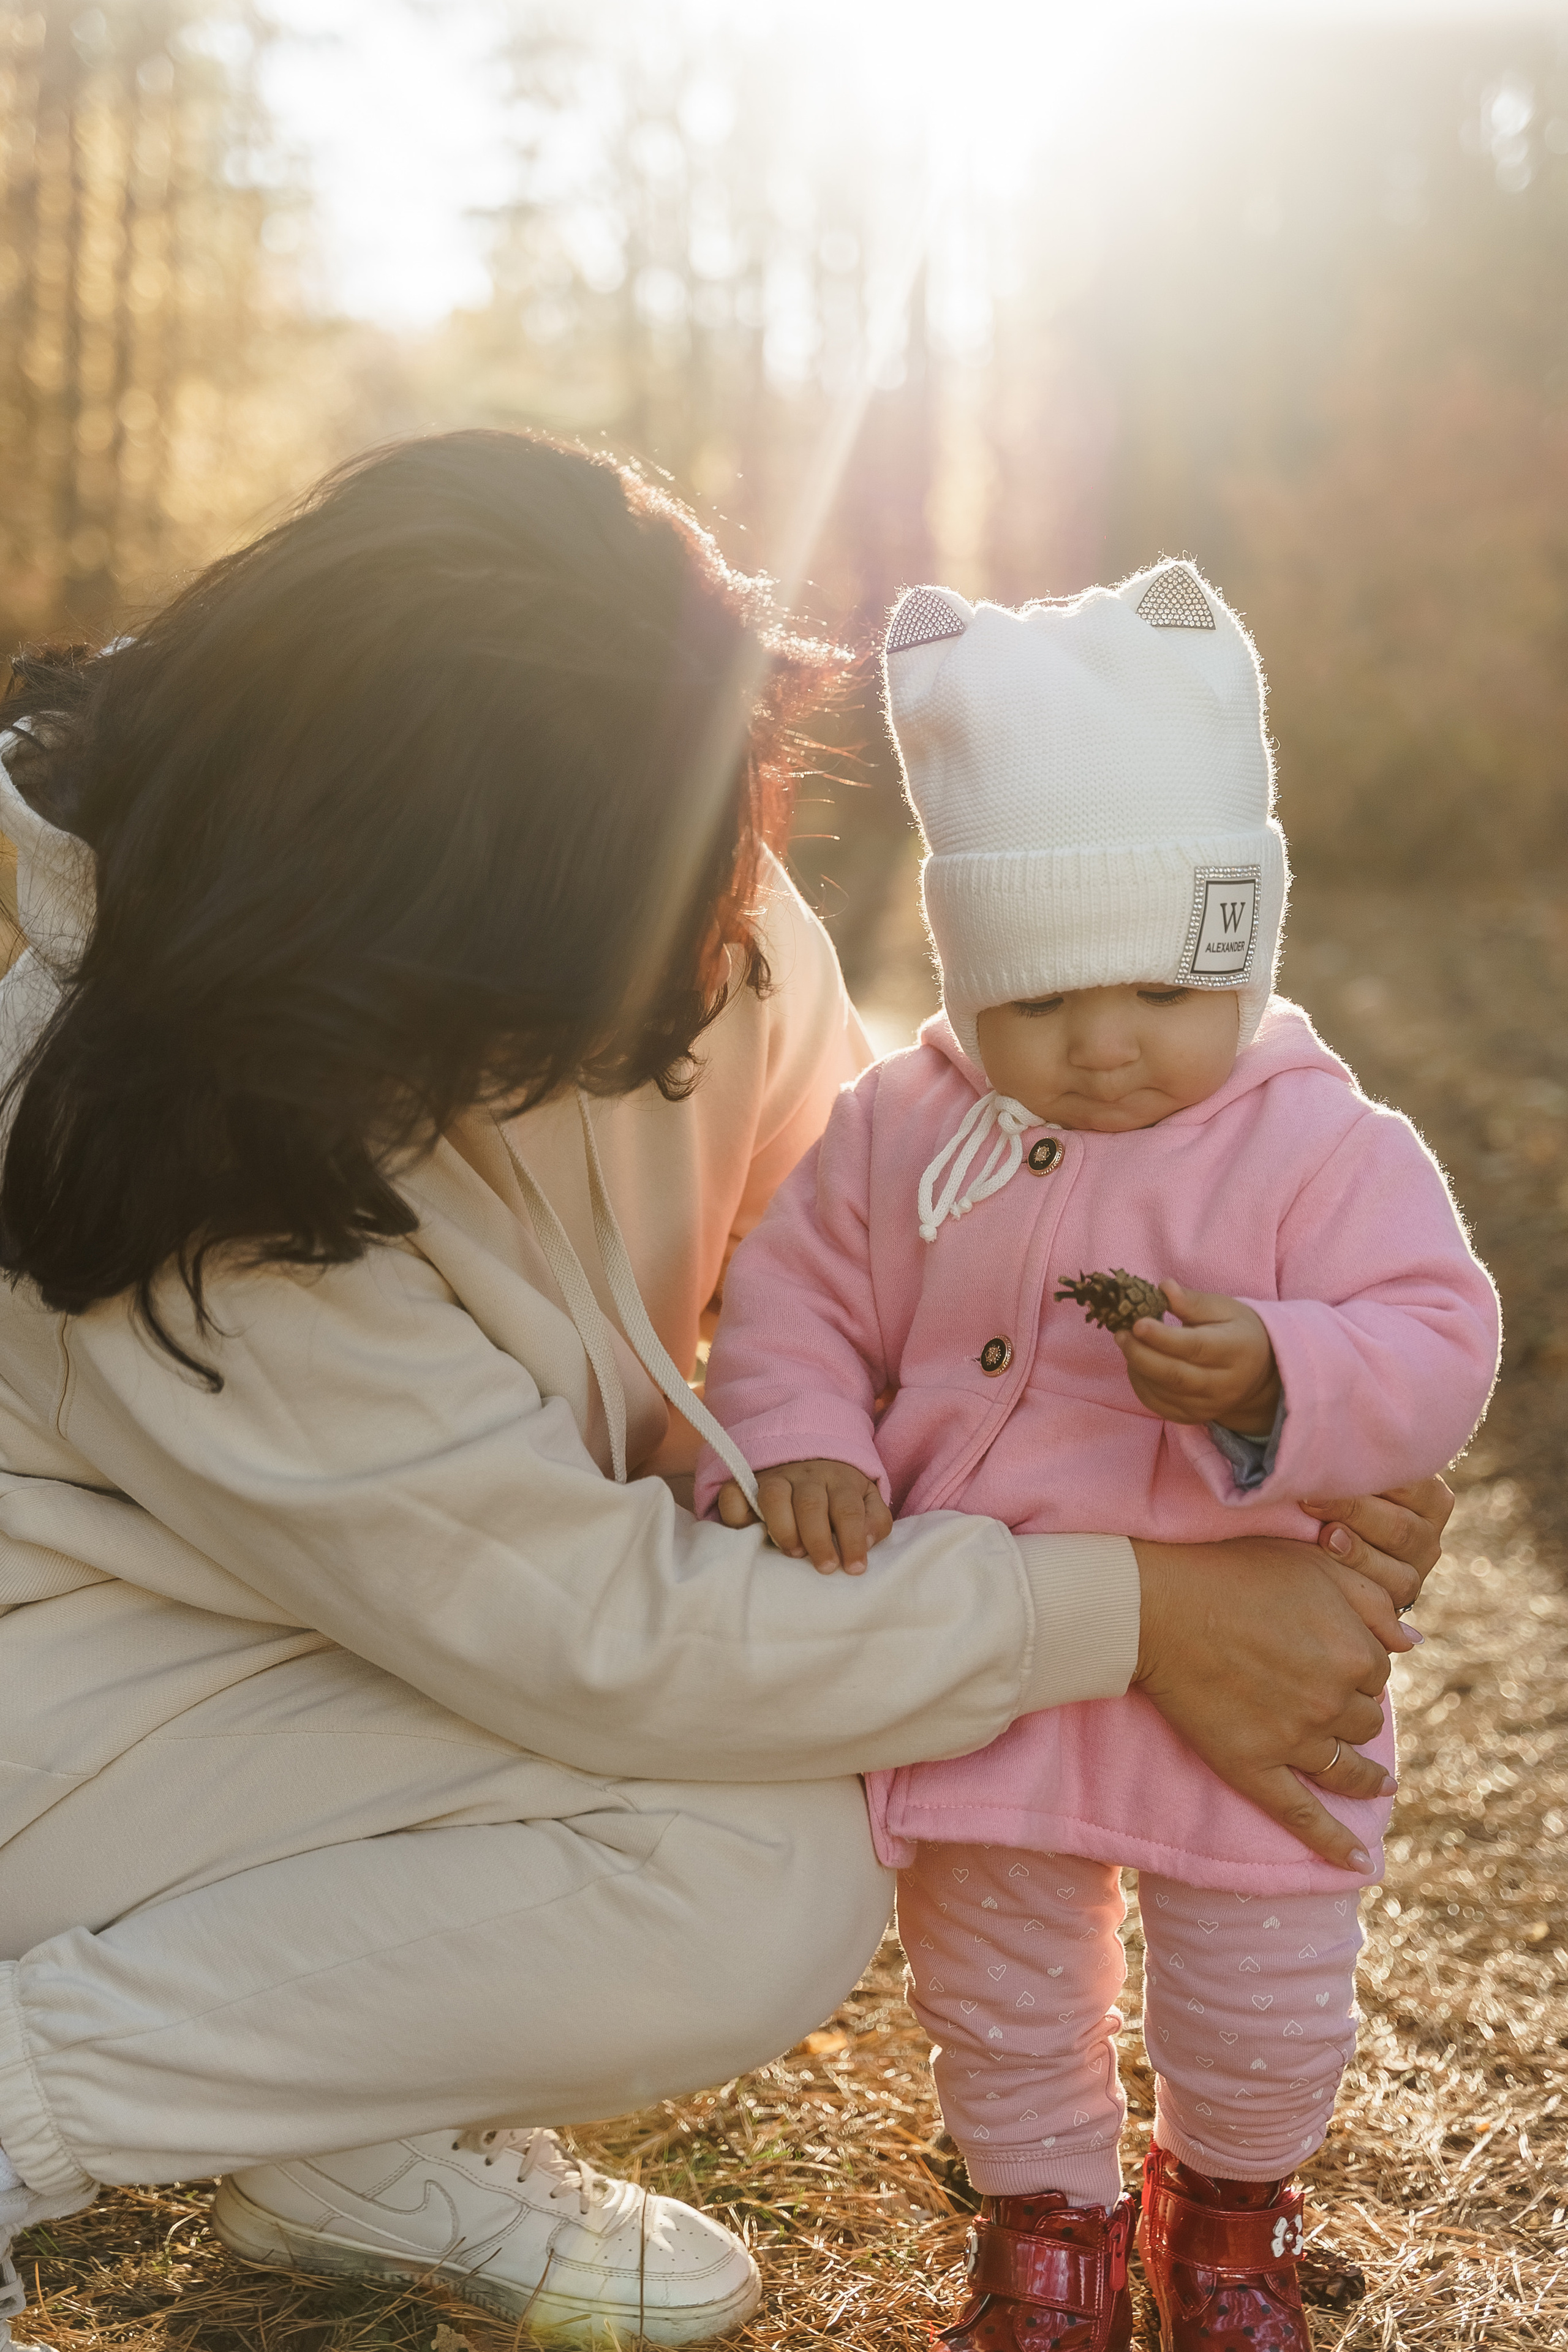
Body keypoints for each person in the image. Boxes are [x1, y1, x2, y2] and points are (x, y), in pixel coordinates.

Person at [0, 439, 1446, 2352]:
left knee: (778, 1820)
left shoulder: (667, 892)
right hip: (65, 1680)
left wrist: (1291, 1432)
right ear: (416, 920)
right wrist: (1138, 1614)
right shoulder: (137, 1115)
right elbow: (598, 1634)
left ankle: (338, 2128)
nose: (717, 956)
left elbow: (865, 1280)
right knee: (744, 1875)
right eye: (644, 934)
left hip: (342, 1624)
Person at [699, 565, 1498, 2351]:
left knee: (1265, 1978)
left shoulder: (1314, 1139)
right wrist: (802, 1439)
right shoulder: (903, 1131)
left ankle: (1230, 2216)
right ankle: (1044, 2222)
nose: (1106, 1044)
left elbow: (1441, 1340)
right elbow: (790, 1309)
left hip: (1251, 1648)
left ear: (1243, 952)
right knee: (994, 1977)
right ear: (970, 982)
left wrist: (1281, 1369)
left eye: (1156, 988)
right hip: (991, 1644)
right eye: (1044, 1003)